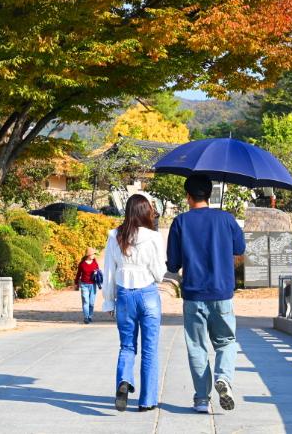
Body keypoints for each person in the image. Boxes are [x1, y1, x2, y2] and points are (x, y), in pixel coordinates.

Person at [166, 174, 246, 414]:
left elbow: (173, 264)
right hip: (222, 293)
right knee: (226, 342)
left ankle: (202, 399)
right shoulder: (226, 219)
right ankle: (224, 378)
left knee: (197, 347)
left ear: (188, 196)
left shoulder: (180, 222)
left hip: (193, 294)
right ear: (209, 195)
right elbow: (239, 248)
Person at [101, 194, 166, 413]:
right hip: (147, 294)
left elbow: (109, 271)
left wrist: (109, 301)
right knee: (150, 350)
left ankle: (124, 380)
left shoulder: (115, 235)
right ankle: (147, 400)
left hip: (124, 296)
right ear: (145, 212)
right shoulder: (154, 237)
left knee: (127, 346)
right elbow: (159, 273)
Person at [75, 248, 101, 324]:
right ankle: (86, 317)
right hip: (84, 285)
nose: (94, 255)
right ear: (89, 255)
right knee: (86, 301)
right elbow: (78, 274)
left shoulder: (95, 263)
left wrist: (98, 276)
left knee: (91, 303)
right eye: (93, 254)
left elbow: (98, 272)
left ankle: (90, 316)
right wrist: (76, 282)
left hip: (93, 285)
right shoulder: (82, 264)